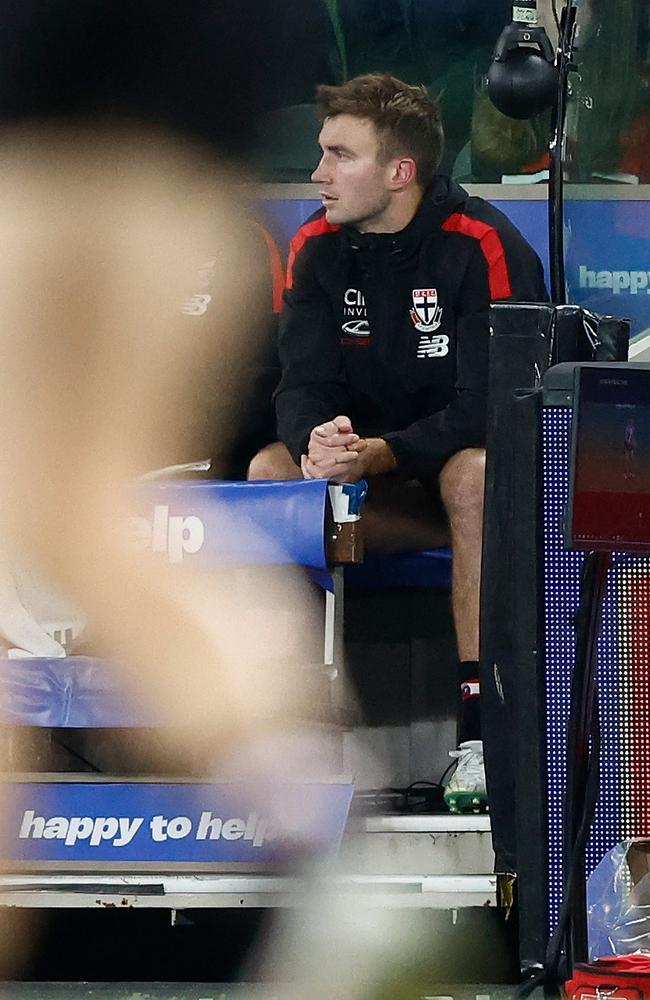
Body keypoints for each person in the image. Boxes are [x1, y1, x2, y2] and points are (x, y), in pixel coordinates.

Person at [248, 72, 548, 812]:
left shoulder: (480, 243)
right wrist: (315, 442)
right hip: (366, 493)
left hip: (458, 490)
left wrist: (384, 451)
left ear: (400, 171)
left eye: (339, 155)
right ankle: (285, 734)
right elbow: (300, 381)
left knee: (474, 473)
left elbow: (498, 407)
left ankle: (479, 737)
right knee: (268, 470)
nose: (318, 174)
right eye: (321, 153)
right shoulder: (316, 246)